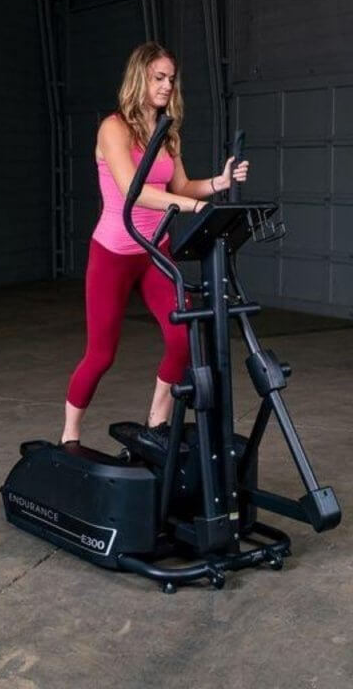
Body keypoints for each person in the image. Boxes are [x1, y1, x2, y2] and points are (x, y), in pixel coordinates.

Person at [60, 41, 249, 445]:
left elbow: (180, 186)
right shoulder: (113, 128)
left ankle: (156, 423)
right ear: (139, 78)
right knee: (101, 355)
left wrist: (220, 181)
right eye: (158, 77)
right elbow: (134, 192)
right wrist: (191, 206)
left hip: (154, 253)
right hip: (113, 251)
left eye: (171, 79)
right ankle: (69, 436)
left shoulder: (167, 132)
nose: (166, 86)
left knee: (182, 338)